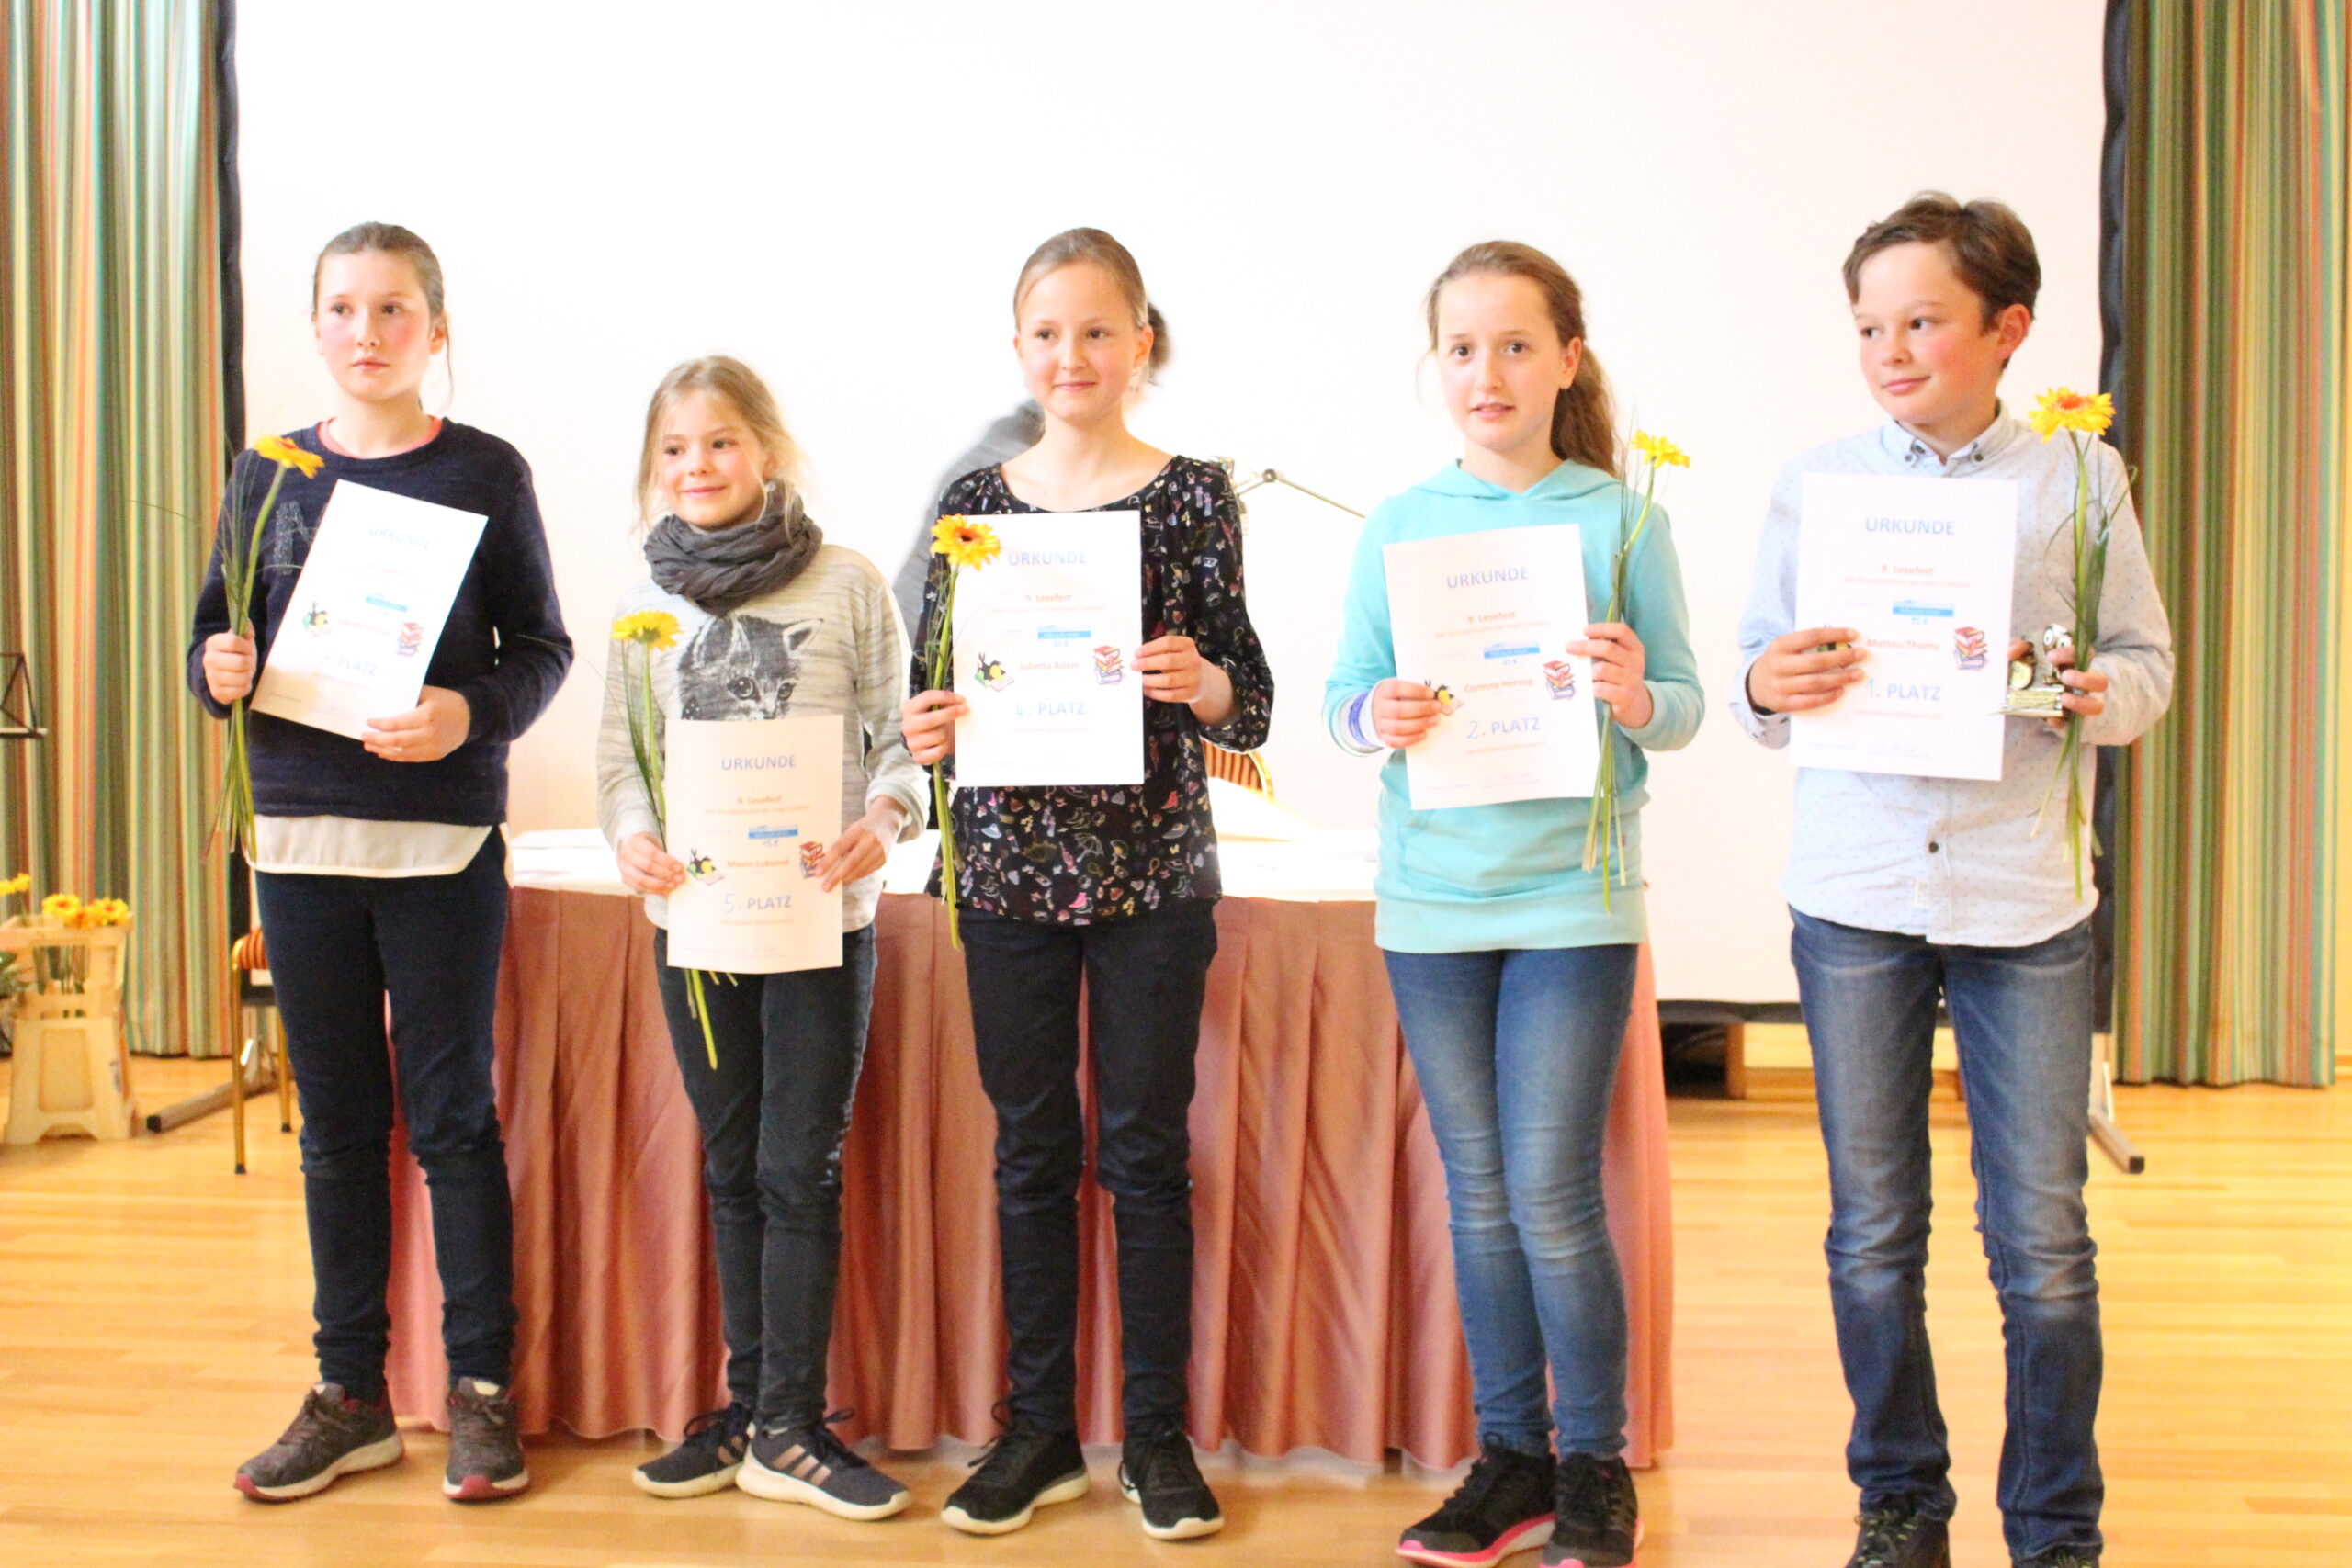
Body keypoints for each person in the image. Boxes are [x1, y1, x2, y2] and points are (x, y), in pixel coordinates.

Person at [1732, 192, 2175, 1568]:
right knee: (1873, 1232)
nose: (1890, 351)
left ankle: (2054, 1531)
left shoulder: (2079, 480)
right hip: (1856, 894)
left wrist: (2098, 694)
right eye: (1870, 326)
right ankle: (1900, 1503)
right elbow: (1754, 680)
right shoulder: (1817, 482)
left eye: (1922, 321)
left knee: (2041, 1243)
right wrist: (1768, 682)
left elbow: (2145, 666)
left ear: (2009, 330)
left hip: (2022, 898)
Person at [1324, 240, 1702, 1568]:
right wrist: (1378, 714)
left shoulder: (1625, 519)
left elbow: (1685, 708)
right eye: (1463, 347)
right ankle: (1511, 1460)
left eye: (1517, 344)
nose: (1487, 371)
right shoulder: (1398, 523)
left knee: (1549, 1190)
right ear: (1438, 366)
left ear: (1567, 361)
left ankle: (1593, 1464)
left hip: (1572, 903)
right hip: (1431, 905)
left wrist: (1635, 692)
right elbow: (1341, 699)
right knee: (1477, 1193)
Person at [189, 221, 572, 1503]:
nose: (368, 331)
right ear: (315, 327)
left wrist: (468, 713)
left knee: (455, 1121)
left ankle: (480, 1393)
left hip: (440, 840)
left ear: (436, 329)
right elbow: (214, 638)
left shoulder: (485, 471)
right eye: (345, 308)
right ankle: (349, 1394)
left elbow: (542, 649)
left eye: (394, 308)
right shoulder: (268, 471)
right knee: (339, 1129)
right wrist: (215, 666)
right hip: (299, 838)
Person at [901, 227, 1272, 1541]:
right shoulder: (974, 505)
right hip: (1005, 875)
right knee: (1029, 1155)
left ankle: (1155, 1436)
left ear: (1140, 344)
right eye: (1049, 332)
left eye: (1099, 330)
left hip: (1153, 873)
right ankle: (1038, 1430)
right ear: (1018, 348)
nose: (1073, 354)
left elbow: (1248, 699)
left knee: (1147, 1153)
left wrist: (1199, 680)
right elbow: (932, 693)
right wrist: (927, 728)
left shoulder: (1193, 496)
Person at [596, 355, 925, 1519]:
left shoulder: (847, 585)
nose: (698, 465)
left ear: (768, 453)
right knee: (731, 1167)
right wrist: (633, 839)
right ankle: (748, 1411)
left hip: (820, 922)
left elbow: (902, 738)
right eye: (674, 449)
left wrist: (882, 823)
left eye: (720, 442)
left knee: (798, 1171)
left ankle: (790, 1426)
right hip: (696, 930)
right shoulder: (643, 610)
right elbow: (620, 763)